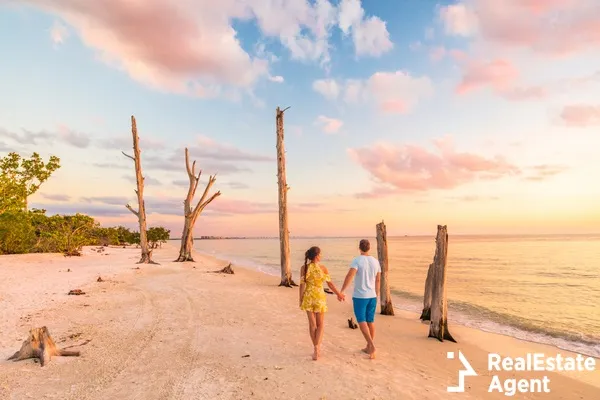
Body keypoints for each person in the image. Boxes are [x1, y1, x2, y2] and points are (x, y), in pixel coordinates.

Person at [299, 246, 344, 360]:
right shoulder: (323, 268)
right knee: (320, 325)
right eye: (320, 254)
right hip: (319, 297)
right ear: (317, 256)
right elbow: (330, 284)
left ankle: (315, 349)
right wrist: (338, 294)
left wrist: (300, 299)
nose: (321, 256)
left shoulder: (304, 268)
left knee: (312, 325)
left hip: (308, 297)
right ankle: (317, 349)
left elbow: (302, 285)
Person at [340, 239, 381, 359]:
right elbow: (378, 280)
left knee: (361, 320)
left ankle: (372, 345)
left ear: (359, 248)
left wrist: (342, 291)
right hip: (372, 295)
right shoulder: (375, 261)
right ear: (369, 248)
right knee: (370, 321)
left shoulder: (357, 260)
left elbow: (350, 276)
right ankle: (369, 346)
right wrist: (376, 294)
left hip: (360, 296)